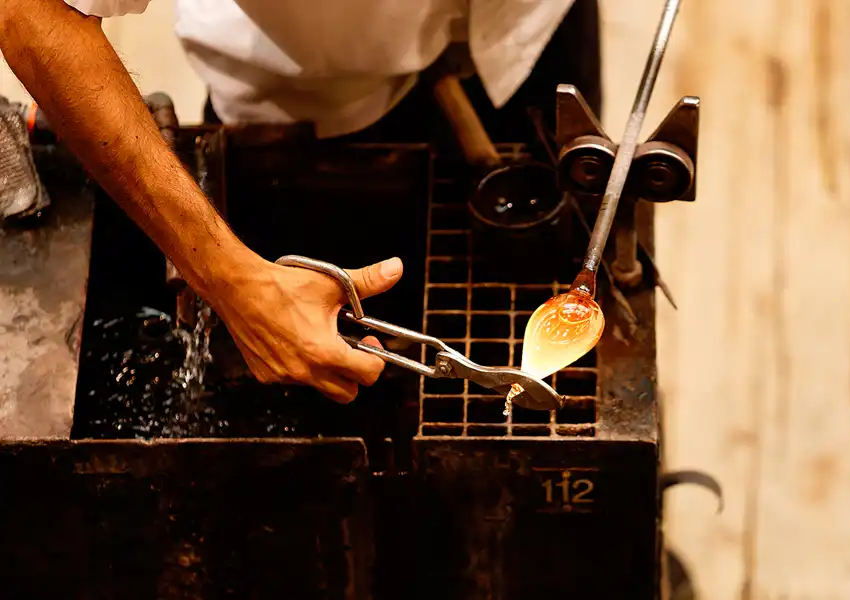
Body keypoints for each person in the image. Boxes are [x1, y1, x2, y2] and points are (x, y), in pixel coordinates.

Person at [0, 0, 597, 403]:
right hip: (317, 79)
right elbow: (37, 11)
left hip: (527, 27)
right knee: (339, 378)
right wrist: (232, 279)